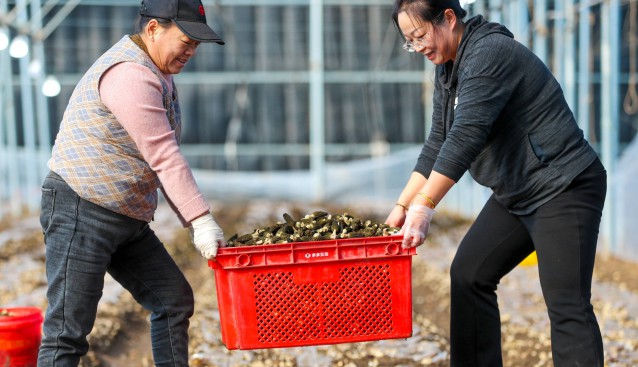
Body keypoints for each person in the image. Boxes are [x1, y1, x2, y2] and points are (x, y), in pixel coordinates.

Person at [386, 0, 606, 366]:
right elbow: (438, 141)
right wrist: (401, 207)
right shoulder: (447, 68)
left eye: (420, 35)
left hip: (562, 184)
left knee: (566, 303)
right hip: (518, 191)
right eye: (410, 41)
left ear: (449, 18)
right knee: (470, 274)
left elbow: (466, 135)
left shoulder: (489, 54)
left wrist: (425, 206)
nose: (418, 47)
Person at [37, 0, 226, 365]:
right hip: (83, 209)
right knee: (67, 333)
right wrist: (200, 220)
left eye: (196, 44)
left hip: (125, 217)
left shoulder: (158, 70)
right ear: (153, 28)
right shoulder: (129, 74)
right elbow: (164, 155)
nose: (191, 51)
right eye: (186, 40)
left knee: (173, 300)